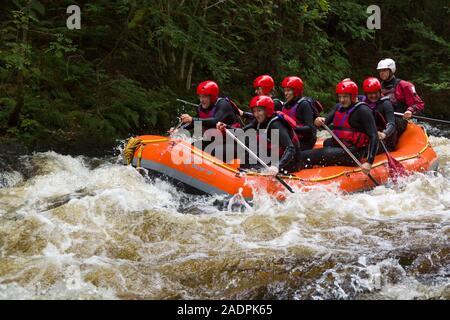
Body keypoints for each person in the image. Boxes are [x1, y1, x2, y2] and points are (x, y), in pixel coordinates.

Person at [300, 79, 379, 173]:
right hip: (339, 147)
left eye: (345, 97)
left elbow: (374, 136)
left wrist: (369, 162)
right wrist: (318, 121)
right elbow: (325, 123)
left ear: (353, 96)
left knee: (306, 155)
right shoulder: (338, 107)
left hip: (352, 153)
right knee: (327, 142)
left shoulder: (363, 110)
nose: (342, 100)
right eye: (340, 96)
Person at [217, 95, 301, 174]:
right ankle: (244, 176)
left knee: (257, 162)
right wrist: (226, 127)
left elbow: (290, 148)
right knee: (248, 155)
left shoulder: (276, 125)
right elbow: (243, 132)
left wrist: (276, 166)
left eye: (259, 111)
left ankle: (255, 176)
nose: (256, 114)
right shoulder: (258, 121)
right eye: (254, 111)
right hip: (274, 155)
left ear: (267, 110)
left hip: (290, 161)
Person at [377, 58, 425, 135]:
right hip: (383, 118)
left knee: (391, 122)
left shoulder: (404, 85)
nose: (381, 73)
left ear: (391, 70)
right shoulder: (377, 86)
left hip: (399, 120)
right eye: (380, 71)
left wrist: (410, 110)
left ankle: (390, 144)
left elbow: (419, 104)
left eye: (384, 70)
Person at [281, 76, 320, 151]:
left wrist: (290, 128)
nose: (285, 93)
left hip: (304, 141)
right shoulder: (285, 105)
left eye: (288, 90)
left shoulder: (304, 104)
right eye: (285, 90)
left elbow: (310, 128)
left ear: (296, 91)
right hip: (290, 140)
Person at [361, 77, 398, 151]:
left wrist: (384, 134)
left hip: (385, 138)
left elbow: (391, 123)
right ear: (366, 94)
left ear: (379, 91)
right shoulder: (361, 101)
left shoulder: (386, 104)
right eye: (370, 93)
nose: (374, 95)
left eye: (376, 93)